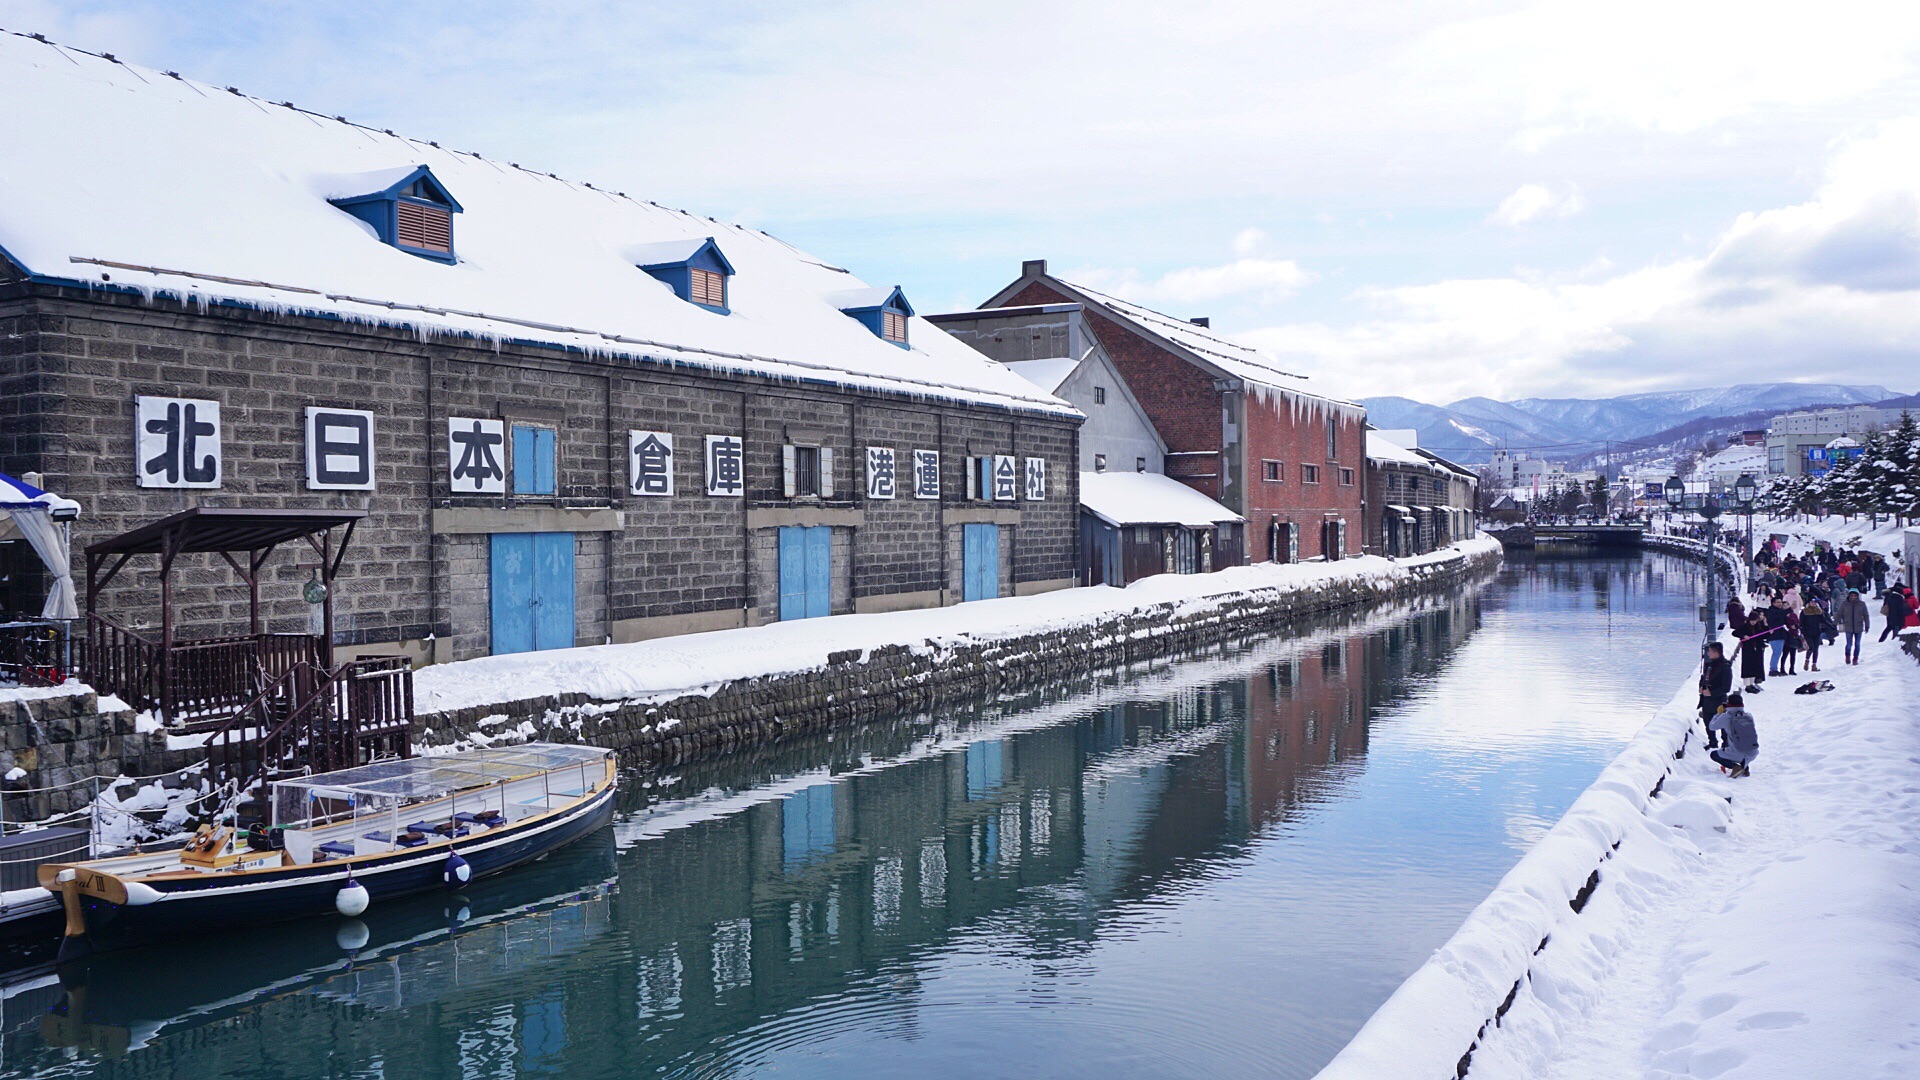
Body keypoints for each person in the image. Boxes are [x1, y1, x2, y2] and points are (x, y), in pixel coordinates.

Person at [1708, 693, 1759, 778]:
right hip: (1753, 752)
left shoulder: (1726, 717)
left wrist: (1718, 714)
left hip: (1738, 753)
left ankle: (1736, 767)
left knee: (1714, 754)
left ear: (1729, 704)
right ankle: (1745, 768)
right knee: (1740, 747)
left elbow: (1712, 727)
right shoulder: (1749, 716)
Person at [1699, 642, 1733, 748]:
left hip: (1719, 700)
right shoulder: (1709, 664)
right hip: (1706, 700)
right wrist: (1701, 686)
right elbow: (1703, 677)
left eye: (1710, 651)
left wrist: (1712, 693)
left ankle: (1726, 743)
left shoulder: (1725, 667)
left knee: (1722, 723)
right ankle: (1712, 742)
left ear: (1716, 653)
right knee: (1707, 721)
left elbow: (1726, 687)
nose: (1708, 653)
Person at [1737, 610, 1771, 691]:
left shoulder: (1758, 626)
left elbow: (1763, 635)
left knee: (1754, 666)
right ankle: (1747, 685)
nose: (1753, 622)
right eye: (1752, 620)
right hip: (1747, 649)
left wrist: (1769, 632)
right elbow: (1735, 632)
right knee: (1747, 666)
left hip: (1757, 649)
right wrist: (1744, 636)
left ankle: (1751, 683)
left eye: (1755, 620)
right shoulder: (1744, 626)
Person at [1837, 587, 1871, 665]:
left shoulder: (1862, 604)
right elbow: (1839, 614)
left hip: (1858, 627)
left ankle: (1855, 658)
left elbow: (1866, 615)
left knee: (1857, 644)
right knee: (1849, 644)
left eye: (1854, 596)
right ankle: (1847, 656)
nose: (1853, 597)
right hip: (1848, 626)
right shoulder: (1844, 604)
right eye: (1851, 596)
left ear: (1857, 596)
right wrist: (1835, 623)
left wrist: (1867, 625)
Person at [1800, 599, 1834, 673]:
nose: (1813, 603)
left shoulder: (1819, 611)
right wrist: (1803, 631)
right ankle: (1807, 660)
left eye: (1814, 602)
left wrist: (1831, 625)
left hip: (1817, 632)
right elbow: (1801, 623)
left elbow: (1823, 620)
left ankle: (1814, 664)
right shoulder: (1804, 611)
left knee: (1816, 648)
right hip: (1807, 632)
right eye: (1811, 602)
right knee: (1811, 647)